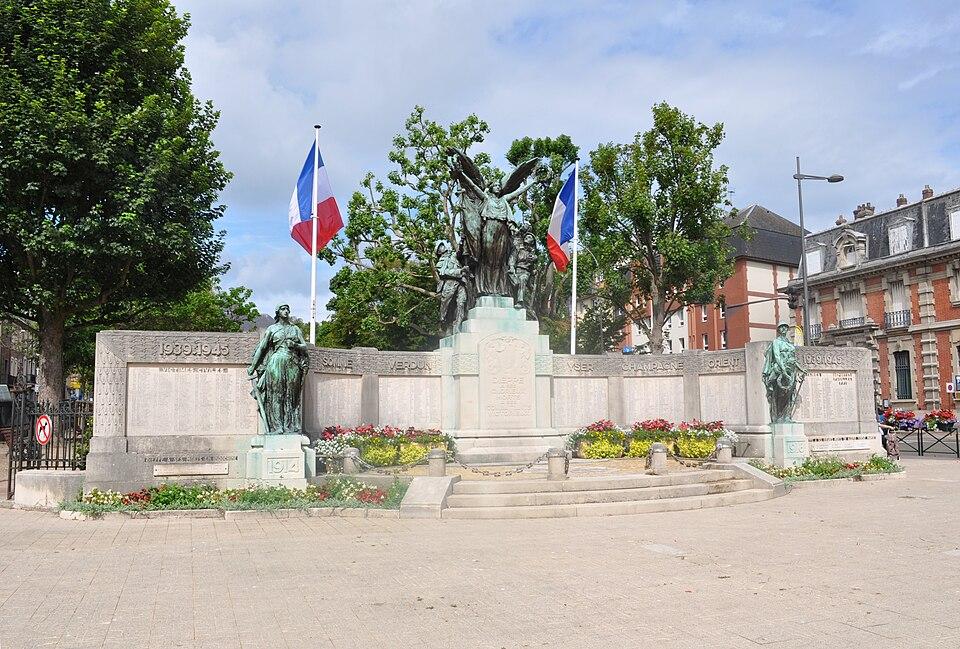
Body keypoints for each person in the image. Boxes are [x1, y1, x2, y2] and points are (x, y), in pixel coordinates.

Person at [247, 304, 309, 435]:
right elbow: (262, 348)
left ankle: (289, 427)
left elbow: (304, 346)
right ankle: (277, 427)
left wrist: (295, 344)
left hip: (292, 363)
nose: (286, 311)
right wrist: (252, 366)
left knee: (291, 396)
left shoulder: (295, 329)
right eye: (283, 309)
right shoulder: (272, 328)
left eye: (287, 309)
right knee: (276, 395)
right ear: (277, 312)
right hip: (276, 362)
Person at [762, 323, 805, 423]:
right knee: (780, 394)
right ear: (778, 330)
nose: (784, 328)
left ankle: (787, 416)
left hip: (791, 370)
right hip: (780, 369)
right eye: (782, 327)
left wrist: (801, 369)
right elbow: (777, 356)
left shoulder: (790, 344)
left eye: (785, 327)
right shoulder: (776, 342)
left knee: (790, 394)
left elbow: (793, 360)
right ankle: (778, 416)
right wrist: (783, 370)